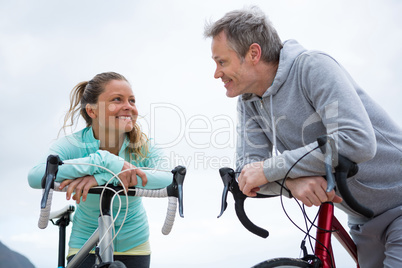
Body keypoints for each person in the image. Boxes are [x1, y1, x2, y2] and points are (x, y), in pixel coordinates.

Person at [204, 6, 402, 268]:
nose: (216, 73)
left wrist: (274, 169)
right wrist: (292, 183)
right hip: (362, 221)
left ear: (253, 53)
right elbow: (248, 174)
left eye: (222, 62)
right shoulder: (248, 100)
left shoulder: (312, 67)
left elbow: (357, 140)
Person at [28, 72, 172, 268]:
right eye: (117, 99)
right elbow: (36, 176)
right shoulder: (75, 144)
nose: (128, 106)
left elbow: (169, 178)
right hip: (85, 243)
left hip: (134, 244)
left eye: (132, 100)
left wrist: (102, 176)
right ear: (92, 111)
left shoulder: (142, 145)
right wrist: (104, 160)